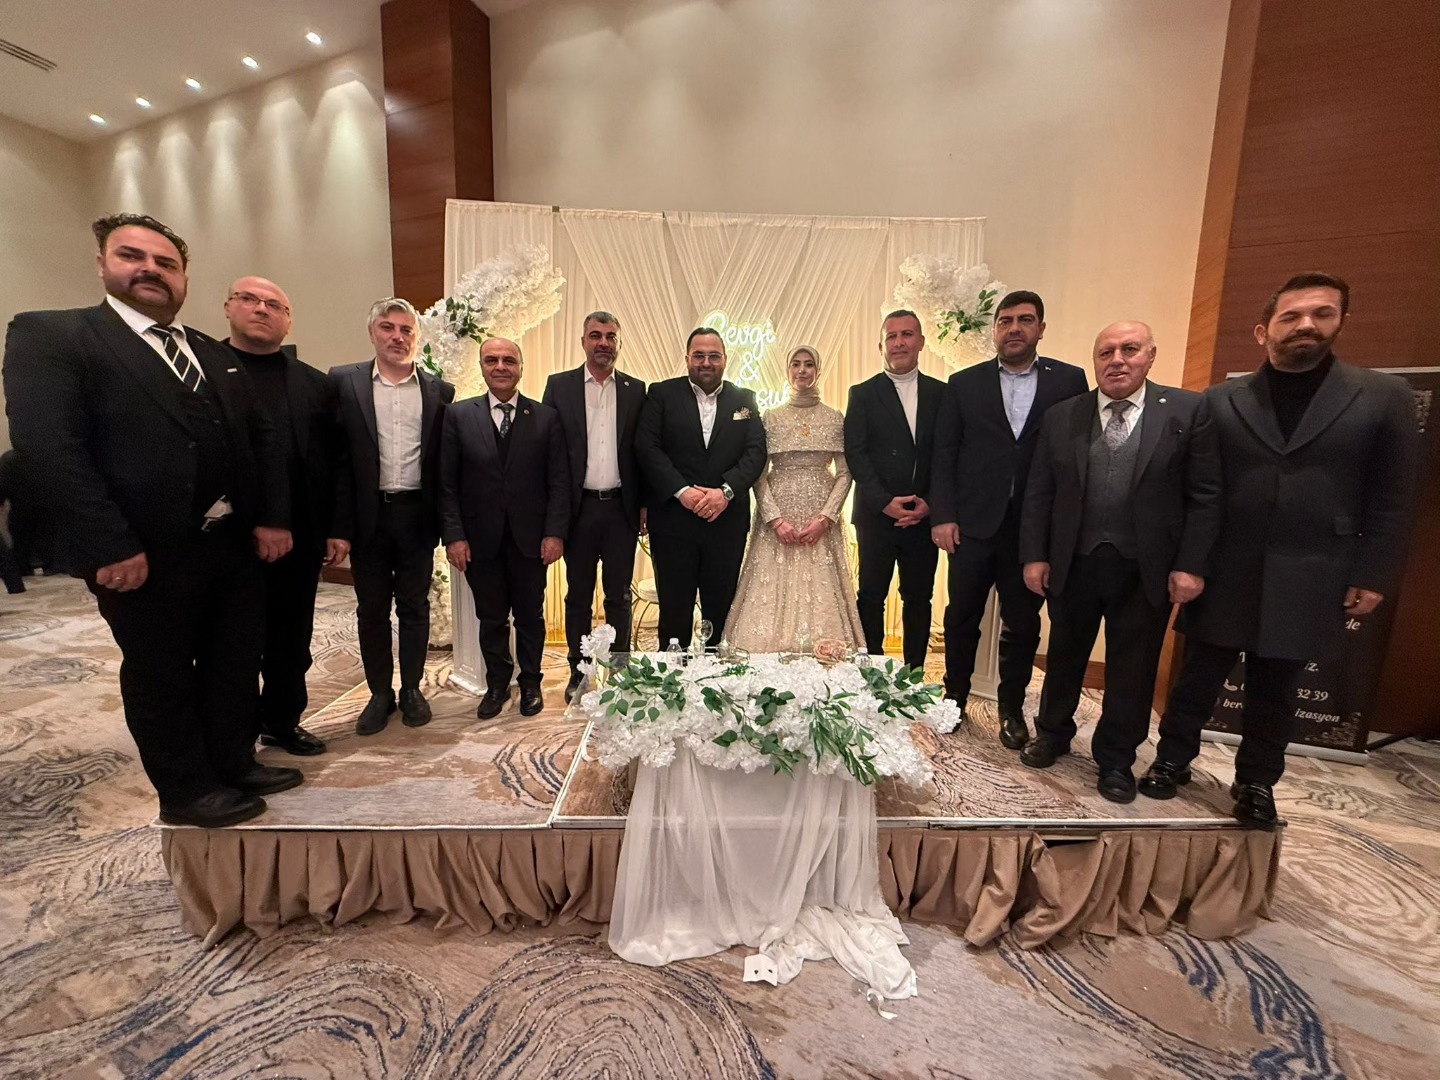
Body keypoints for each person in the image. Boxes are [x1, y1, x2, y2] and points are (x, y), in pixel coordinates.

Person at [2, 213, 299, 827]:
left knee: (233, 661)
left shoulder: (212, 354)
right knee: (161, 671)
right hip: (141, 551)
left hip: (229, 544)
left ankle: (233, 761)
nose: (150, 270)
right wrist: (107, 544)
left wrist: (271, 518)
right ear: (102, 265)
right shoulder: (54, 336)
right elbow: (49, 450)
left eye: (166, 263)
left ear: (183, 277)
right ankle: (187, 789)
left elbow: (261, 441)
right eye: (131, 256)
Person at [1143, 272, 1418, 828]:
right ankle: (1172, 760)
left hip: (1314, 568)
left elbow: (1394, 496)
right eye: (1291, 316)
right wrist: (1189, 562)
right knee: (1197, 676)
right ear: (1263, 330)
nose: (1305, 325)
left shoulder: (1382, 397)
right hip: (1225, 563)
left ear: (1340, 321)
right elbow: (1200, 490)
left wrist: (1374, 574)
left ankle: (1256, 782)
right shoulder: (1221, 400)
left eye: (1321, 313)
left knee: (1278, 686)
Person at [1018, 322, 1221, 802]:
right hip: (1074, 562)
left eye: (1130, 349)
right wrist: (1035, 556)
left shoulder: (1187, 411)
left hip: (1146, 568)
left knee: (1134, 667)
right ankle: (1052, 734)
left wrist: (1191, 564)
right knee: (1063, 655)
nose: (1117, 360)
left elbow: (1205, 495)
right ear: (1094, 361)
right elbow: (1040, 492)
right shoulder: (1064, 415)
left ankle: (1115, 759)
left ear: (1151, 356)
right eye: (1106, 351)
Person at [930, 290, 1088, 748]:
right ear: (994, 330)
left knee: (1023, 624)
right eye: (1005, 321)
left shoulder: (1069, 381)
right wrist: (944, 515)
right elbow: (945, 453)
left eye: (1025, 320)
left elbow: (1075, 457)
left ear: (1041, 328)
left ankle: (1011, 708)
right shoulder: (964, 383)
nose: (1014, 328)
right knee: (961, 616)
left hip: (1033, 533)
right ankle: (954, 698)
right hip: (973, 525)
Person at [223, 276, 341, 756]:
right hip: (227, 538)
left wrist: (336, 529)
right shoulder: (202, 371)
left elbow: (333, 462)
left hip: (302, 536)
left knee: (292, 639)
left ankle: (282, 721)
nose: (261, 309)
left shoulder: (314, 383)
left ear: (288, 320)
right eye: (249, 299)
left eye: (274, 304)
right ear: (228, 307)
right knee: (231, 642)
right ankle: (232, 735)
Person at [331, 298, 455, 736]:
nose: (397, 337)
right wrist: (338, 527)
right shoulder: (343, 382)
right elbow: (336, 462)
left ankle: (413, 689)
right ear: (373, 333)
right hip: (367, 518)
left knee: (415, 607)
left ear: (416, 337)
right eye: (388, 327)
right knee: (371, 609)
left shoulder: (439, 391)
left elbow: (443, 465)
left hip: (416, 516)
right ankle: (380, 693)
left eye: (406, 330)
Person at [441, 337, 570, 719]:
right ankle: (497, 683)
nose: (500, 366)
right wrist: (454, 536)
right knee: (492, 617)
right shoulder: (458, 416)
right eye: (492, 360)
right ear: (482, 366)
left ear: (520, 367)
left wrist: (554, 533)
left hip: (531, 540)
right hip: (479, 540)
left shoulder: (545, 417)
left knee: (530, 616)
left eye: (509, 360)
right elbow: (446, 485)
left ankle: (530, 682)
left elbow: (558, 481)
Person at [724, 346, 864, 652]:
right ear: (787, 371)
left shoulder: (834, 418)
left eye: (809, 364)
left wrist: (826, 518)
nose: (802, 370)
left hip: (820, 517)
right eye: (796, 364)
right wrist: (775, 519)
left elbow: (845, 473)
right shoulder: (771, 418)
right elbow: (758, 474)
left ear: (818, 370)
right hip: (779, 517)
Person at [636, 327, 767, 649]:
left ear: (725, 359)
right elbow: (648, 447)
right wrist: (683, 491)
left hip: (726, 522)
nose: (706, 362)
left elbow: (755, 452)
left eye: (713, 356)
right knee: (674, 612)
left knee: (721, 611)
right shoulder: (661, 394)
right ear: (687, 359)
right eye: (699, 356)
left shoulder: (745, 399)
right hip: (673, 522)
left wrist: (726, 492)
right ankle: (674, 674)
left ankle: (717, 675)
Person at [542, 312, 646, 701]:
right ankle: (579, 671)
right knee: (578, 597)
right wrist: (552, 518)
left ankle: (620, 671)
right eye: (596, 335)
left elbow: (643, 454)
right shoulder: (559, 386)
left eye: (610, 336)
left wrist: (645, 505)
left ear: (619, 343)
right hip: (578, 510)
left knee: (619, 596)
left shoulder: (636, 390)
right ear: (583, 341)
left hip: (621, 510)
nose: (603, 343)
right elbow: (549, 454)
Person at [843, 310, 945, 669]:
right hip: (876, 516)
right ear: (881, 345)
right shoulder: (862, 394)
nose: (899, 342)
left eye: (907, 334)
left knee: (919, 598)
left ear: (921, 342)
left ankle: (914, 673)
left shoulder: (942, 393)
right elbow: (856, 454)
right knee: (871, 596)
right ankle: (873, 672)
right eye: (892, 336)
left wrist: (930, 503)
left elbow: (947, 453)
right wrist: (885, 502)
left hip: (923, 515)